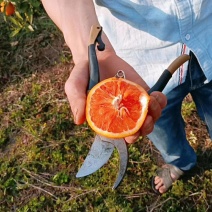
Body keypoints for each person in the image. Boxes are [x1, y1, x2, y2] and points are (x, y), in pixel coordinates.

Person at [41, 0, 212, 194]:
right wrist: (85, 48)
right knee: (161, 128)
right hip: (140, 66)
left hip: (208, 35)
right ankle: (180, 163)